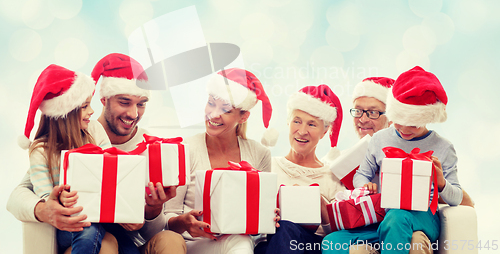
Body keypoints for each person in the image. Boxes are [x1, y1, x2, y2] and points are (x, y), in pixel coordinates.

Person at [7, 53, 186, 254]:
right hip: (81, 229)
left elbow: (148, 231)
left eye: (141, 104)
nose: (134, 114)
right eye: (125, 102)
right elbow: (18, 196)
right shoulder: (55, 145)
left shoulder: (149, 149)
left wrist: (149, 211)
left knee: (153, 241)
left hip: (119, 230)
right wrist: (46, 207)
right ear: (104, 99)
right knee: (102, 241)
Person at [323, 66, 463, 254]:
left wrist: (441, 183)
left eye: (413, 124)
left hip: (423, 217)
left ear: (428, 117)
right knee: (331, 242)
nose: (404, 129)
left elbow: (457, 198)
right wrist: (364, 186)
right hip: (382, 217)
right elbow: (361, 175)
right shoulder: (380, 139)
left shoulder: (444, 147)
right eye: (398, 120)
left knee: (397, 217)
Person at [145, 68, 274, 254]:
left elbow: (260, 229)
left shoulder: (259, 154)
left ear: (243, 116)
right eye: (211, 104)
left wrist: (268, 217)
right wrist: (184, 222)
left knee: (241, 240)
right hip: (188, 244)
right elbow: (167, 218)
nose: (214, 114)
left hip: (237, 243)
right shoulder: (185, 149)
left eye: (226, 110)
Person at [21, 64, 134, 254]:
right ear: (65, 115)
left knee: (128, 246)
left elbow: (112, 166)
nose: (91, 111)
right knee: (87, 229)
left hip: (102, 215)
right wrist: (60, 199)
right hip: (70, 222)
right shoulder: (40, 151)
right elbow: (45, 197)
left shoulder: (94, 130)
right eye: (84, 106)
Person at [255, 84, 346, 254]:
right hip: (269, 244)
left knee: (286, 228)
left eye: (312, 125)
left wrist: (319, 204)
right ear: (288, 123)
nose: (302, 131)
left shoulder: (333, 178)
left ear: (325, 131)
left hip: (312, 247)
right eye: (297, 121)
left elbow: (339, 238)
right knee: (278, 232)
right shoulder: (267, 166)